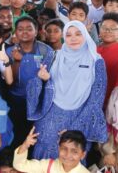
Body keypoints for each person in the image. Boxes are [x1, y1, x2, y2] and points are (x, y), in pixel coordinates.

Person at [26, 20, 107, 159]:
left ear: (86, 36)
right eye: (68, 35)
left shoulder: (96, 61)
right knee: (44, 159)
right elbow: (36, 82)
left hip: (79, 117)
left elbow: (96, 99)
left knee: (70, 156)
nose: (73, 38)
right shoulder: (54, 56)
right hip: (50, 118)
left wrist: (76, 128)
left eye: (78, 34)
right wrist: (42, 78)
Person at [6, 16, 53, 148]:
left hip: (38, 101)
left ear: (36, 31)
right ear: (15, 32)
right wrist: (17, 61)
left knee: (34, 134)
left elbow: (50, 78)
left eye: (29, 29)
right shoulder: (9, 51)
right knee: (16, 133)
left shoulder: (45, 51)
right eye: (20, 29)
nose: (24, 32)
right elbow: (10, 81)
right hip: (16, 100)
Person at [13, 128, 89, 173]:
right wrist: (25, 145)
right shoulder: (49, 165)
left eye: (74, 151)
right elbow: (20, 165)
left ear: (83, 155)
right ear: (59, 148)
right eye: (64, 149)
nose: (68, 155)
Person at [97, 13, 118, 109]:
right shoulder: (93, 51)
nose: (108, 31)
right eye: (104, 28)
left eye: (113, 28)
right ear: (99, 31)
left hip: (114, 106)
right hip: (96, 103)